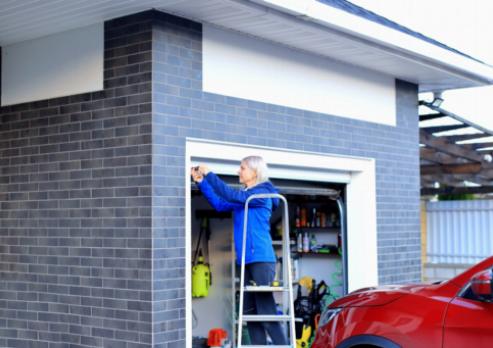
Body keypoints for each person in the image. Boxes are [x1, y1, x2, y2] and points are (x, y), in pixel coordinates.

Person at [191, 156, 288, 345]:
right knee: (250, 312)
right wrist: (202, 182)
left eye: (242, 168)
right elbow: (220, 204)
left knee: (266, 311)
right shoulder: (247, 197)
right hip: (246, 259)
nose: (238, 171)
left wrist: (209, 173)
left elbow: (231, 195)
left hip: (261, 259)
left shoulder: (261, 195)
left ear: (254, 172)